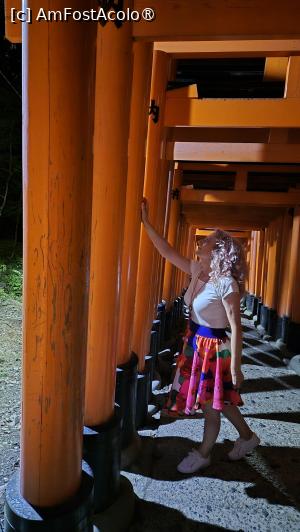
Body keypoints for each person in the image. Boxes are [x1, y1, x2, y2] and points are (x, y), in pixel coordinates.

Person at [141, 198, 260, 474]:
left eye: (205, 243)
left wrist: (236, 367)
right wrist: (147, 224)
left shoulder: (225, 283)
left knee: (210, 406)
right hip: (194, 343)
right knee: (220, 400)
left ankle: (204, 453)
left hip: (213, 350)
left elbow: (236, 327)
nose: (199, 245)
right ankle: (248, 437)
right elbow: (167, 251)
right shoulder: (198, 272)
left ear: (217, 251)